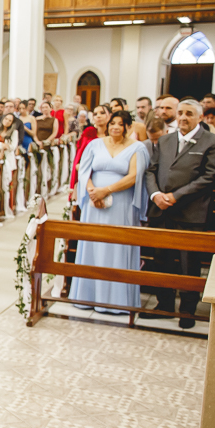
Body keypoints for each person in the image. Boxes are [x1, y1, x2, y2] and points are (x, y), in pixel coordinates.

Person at [142, 100, 215, 328]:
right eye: (180, 113)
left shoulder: (213, 142)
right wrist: (156, 195)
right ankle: (164, 305)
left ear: (200, 117)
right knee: (162, 260)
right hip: (161, 210)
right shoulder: (165, 140)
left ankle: (188, 310)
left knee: (189, 263)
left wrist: (176, 196)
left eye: (189, 114)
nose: (183, 117)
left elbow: (210, 177)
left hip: (190, 212)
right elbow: (151, 170)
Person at [69, 111, 151, 313]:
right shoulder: (95, 144)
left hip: (122, 205)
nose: (115, 127)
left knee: (116, 247)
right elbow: (84, 171)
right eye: (112, 123)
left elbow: (134, 176)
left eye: (120, 124)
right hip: (94, 204)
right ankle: (86, 297)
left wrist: (106, 190)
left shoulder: (137, 148)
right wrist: (92, 192)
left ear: (128, 127)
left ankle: (117, 302)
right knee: (93, 245)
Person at [70, 104, 109, 192]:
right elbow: (79, 156)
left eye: (102, 113)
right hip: (87, 173)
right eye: (95, 114)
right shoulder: (89, 132)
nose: (98, 116)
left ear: (109, 115)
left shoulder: (113, 136)